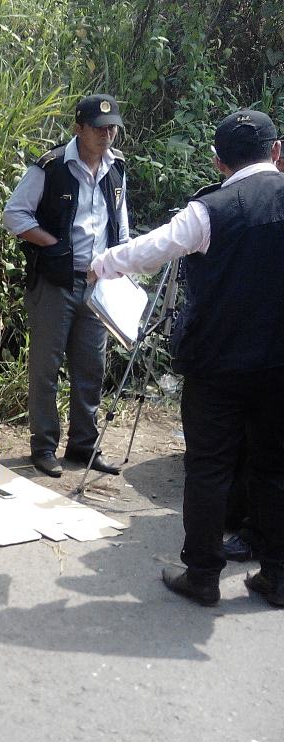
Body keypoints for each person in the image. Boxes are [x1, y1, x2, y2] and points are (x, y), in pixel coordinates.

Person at [90, 109, 284, 608]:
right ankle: (277, 575)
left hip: (217, 365)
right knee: (274, 466)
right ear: (277, 151)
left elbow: (152, 249)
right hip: (279, 367)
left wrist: (103, 264)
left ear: (218, 161)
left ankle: (202, 575)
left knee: (209, 466)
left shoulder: (209, 211)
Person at [3, 94, 130, 478]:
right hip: (55, 283)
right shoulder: (52, 166)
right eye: (98, 128)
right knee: (46, 368)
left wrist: (122, 262)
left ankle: (83, 447)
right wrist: (52, 244)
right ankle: (43, 447)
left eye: (112, 129)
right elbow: (14, 214)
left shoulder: (117, 168)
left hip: (98, 286)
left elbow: (120, 224)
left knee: (91, 368)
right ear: (79, 128)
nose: (107, 135)